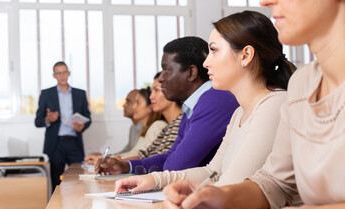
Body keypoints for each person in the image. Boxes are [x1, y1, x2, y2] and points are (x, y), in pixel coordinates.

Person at [163, 1, 345, 209]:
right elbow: (275, 183)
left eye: (214, 50)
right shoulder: (302, 84)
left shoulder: (275, 101)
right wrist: (219, 197)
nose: (265, 1)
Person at [115, 11, 296, 193]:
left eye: (214, 51)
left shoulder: (273, 106)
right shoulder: (239, 113)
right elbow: (213, 173)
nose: (206, 63)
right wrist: (153, 179)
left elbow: (232, 184)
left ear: (245, 55)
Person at [96, 36, 239, 175]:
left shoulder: (213, 101)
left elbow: (176, 166)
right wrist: (126, 166)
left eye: (166, 69)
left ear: (191, 72)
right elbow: (170, 157)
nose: (160, 78)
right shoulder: (192, 107)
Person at [35, 61, 91, 191]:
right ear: (54, 75)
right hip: (56, 145)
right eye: (58, 73)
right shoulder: (46, 94)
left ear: (69, 73)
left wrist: (82, 126)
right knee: (56, 184)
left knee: (79, 182)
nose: (62, 76)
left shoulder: (80, 94)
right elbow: (38, 121)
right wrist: (48, 119)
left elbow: (88, 118)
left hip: (74, 143)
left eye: (64, 72)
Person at [84, 89, 143, 164]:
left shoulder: (147, 127)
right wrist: (105, 156)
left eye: (128, 102)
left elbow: (136, 154)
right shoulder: (133, 127)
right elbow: (128, 150)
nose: (123, 105)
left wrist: (106, 159)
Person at [117, 87, 167, 159]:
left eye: (138, 103)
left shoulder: (157, 125)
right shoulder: (145, 129)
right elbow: (133, 153)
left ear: (150, 107)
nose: (134, 107)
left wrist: (119, 161)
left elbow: (144, 157)